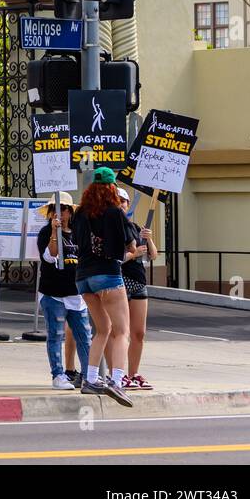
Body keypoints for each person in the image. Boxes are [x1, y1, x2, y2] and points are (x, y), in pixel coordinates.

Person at [71, 167, 134, 407]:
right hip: (107, 275)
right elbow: (129, 244)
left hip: (83, 277)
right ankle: (116, 381)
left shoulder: (80, 214)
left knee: (102, 330)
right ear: (111, 188)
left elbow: (76, 240)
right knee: (121, 331)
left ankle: (90, 379)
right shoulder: (114, 212)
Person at [36, 193, 91, 390]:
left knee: (84, 335)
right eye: (55, 210)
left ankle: (89, 375)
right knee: (56, 334)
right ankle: (58, 375)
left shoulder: (78, 232)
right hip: (53, 293)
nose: (60, 213)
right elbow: (50, 257)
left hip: (76, 294)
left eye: (64, 209)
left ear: (70, 212)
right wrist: (54, 233)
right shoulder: (45, 233)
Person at [118, 186, 157, 391]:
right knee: (120, 332)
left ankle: (133, 373)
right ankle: (119, 373)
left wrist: (149, 239)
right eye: (117, 201)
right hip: (120, 282)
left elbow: (153, 255)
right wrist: (133, 254)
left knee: (138, 332)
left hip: (138, 282)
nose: (121, 204)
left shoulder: (135, 227)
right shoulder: (111, 229)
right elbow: (113, 259)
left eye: (123, 201)